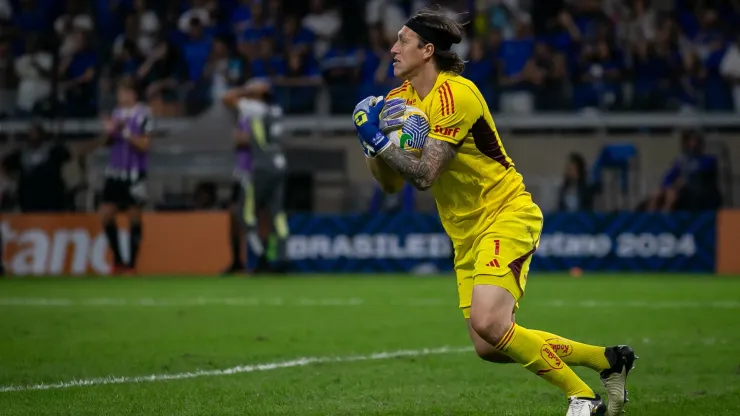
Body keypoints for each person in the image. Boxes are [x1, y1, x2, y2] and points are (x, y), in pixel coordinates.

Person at [352, 8, 636, 416]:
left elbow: (424, 175)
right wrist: (370, 144)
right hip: (464, 232)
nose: (392, 48)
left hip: (505, 212)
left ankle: (582, 397)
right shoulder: (399, 100)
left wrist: (380, 141)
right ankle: (607, 360)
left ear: (427, 50)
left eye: (402, 40)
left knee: (489, 322)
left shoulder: (456, 95)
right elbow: (391, 183)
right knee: (489, 344)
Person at [221, 78, 290, 274]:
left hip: (260, 166)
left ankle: (261, 257)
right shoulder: (277, 110)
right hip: (280, 163)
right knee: (276, 213)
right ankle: (283, 257)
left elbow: (226, 98)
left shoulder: (254, 108)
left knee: (246, 212)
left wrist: (246, 89)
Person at [99, 79, 153, 275]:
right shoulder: (116, 114)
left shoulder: (144, 114)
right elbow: (107, 143)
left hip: (134, 174)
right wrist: (109, 132)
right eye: (119, 92)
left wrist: (125, 132)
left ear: (133, 94)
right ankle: (119, 261)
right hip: (115, 172)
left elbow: (145, 145)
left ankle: (131, 264)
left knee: (134, 216)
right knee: (105, 215)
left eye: (124, 92)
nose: (120, 97)